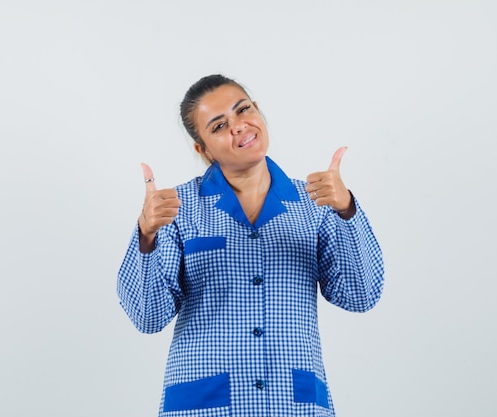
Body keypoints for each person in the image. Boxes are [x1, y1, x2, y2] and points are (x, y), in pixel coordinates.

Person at [117, 74, 384, 417]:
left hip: (294, 404)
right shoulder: (175, 209)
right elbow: (147, 316)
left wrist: (347, 209)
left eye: (243, 109)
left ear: (257, 110)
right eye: (218, 126)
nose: (239, 126)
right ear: (203, 149)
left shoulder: (317, 201)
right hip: (203, 407)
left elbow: (360, 295)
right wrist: (146, 233)